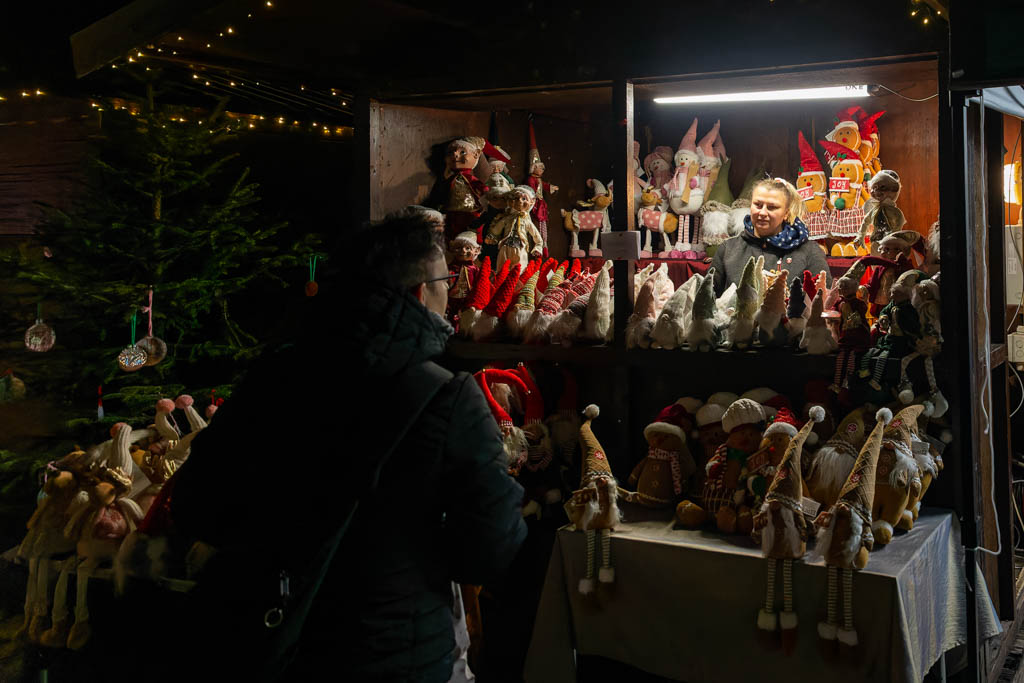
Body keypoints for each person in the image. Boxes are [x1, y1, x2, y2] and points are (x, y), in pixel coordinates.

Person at [169, 208, 528, 682]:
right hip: (393, 651)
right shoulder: (447, 397)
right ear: (420, 292)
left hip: (273, 639)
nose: (451, 291)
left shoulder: (273, 376)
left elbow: (195, 504)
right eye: (446, 279)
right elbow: (489, 549)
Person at [710, 177, 831, 296]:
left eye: (772, 207)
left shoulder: (809, 252)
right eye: (758, 205)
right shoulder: (728, 249)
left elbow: (823, 298)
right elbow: (708, 296)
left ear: (786, 213)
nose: (762, 212)